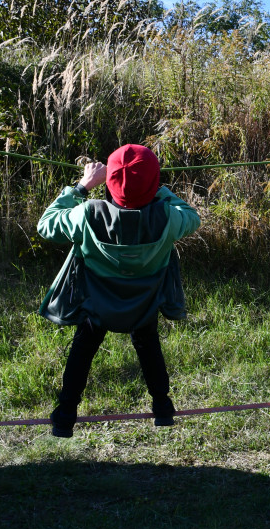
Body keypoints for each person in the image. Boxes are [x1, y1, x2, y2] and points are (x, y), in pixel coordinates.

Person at [36, 144, 200, 437]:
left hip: (95, 305)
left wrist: (83, 186)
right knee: (148, 345)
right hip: (144, 305)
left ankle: (65, 417)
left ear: (110, 180)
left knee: (82, 350)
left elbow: (46, 225)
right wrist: (156, 187)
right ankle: (162, 407)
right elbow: (192, 216)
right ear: (153, 182)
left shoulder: (87, 213)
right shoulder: (169, 217)